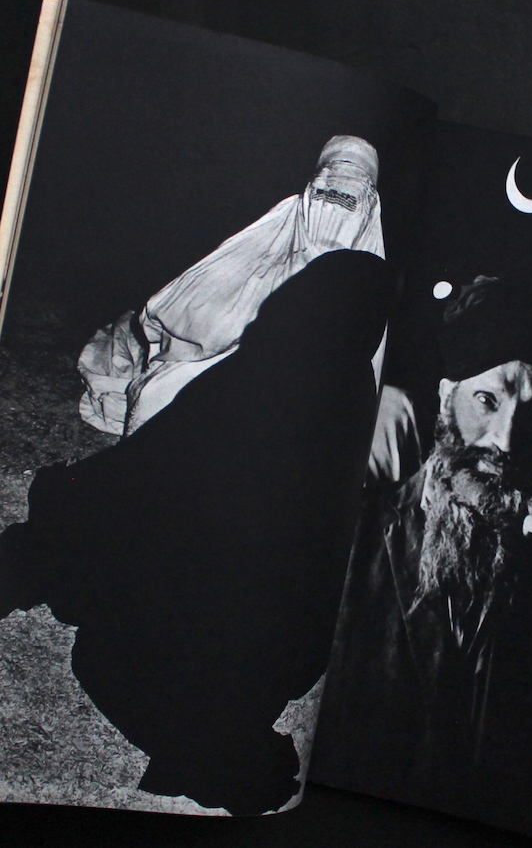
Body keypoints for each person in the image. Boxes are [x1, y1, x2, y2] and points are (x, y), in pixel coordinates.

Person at [0, 249, 393, 815]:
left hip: (206, 606)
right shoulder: (350, 392)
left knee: (89, 570)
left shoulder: (266, 373)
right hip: (270, 636)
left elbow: (154, 474)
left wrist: (78, 497)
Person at [312, 275, 532, 844]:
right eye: (487, 400)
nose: (505, 441)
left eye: (529, 415)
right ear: (447, 395)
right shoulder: (354, 537)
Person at [78, 135, 385, 436]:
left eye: (349, 199)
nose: (332, 211)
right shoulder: (262, 254)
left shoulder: (366, 289)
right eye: (325, 194)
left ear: (370, 209)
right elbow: (177, 312)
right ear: (307, 193)